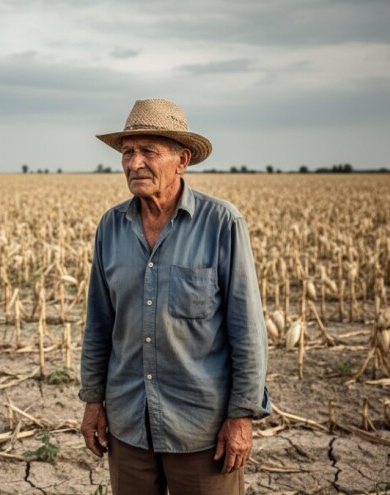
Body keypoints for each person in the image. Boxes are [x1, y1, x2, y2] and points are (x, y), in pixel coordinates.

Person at [79, 98, 271, 495]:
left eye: (148, 151)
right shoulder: (111, 227)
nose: (134, 163)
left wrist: (241, 417)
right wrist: (93, 401)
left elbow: (247, 332)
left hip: (202, 431)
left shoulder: (221, 223)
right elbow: (99, 325)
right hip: (129, 425)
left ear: (182, 160)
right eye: (127, 152)